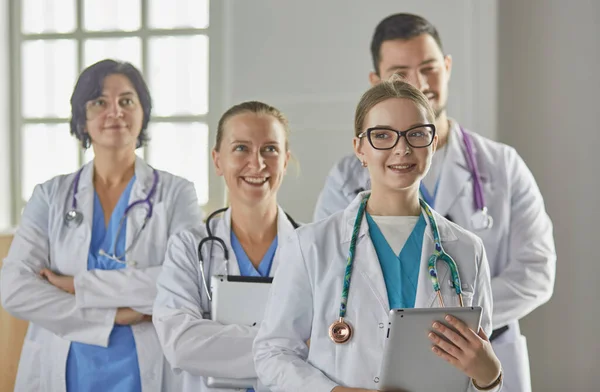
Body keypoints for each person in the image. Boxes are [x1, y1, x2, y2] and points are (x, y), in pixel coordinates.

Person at [312, 13, 556, 391]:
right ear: (377, 83)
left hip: (485, 356)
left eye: (429, 68)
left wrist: (453, 325)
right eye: (400, 72)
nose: (420, 84)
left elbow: (536, 272)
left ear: (447, 66)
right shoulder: (346, 177)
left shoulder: (502, 166)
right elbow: (325, 277)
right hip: (372, 362)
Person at [254, 78, 503, 392]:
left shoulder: (467, 249)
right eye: (382, 135)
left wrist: (490, 378)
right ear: (360, 147)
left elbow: (472, 370)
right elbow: (272, 353)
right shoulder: (311, 245)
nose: (402, 148)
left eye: (416, 134)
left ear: (433, 141)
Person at [0, 59, 202, 392]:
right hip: (66, 367)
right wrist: (114, 316)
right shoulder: (50, 196)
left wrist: (76, 284)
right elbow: (15, 289)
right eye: (99, 102)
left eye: (126, 101)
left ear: (142, 112)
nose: (115, 112)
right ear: (82, 118)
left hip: (145, 367)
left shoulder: (176, 193)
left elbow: (183, 282)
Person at [153, 101, 299, 392]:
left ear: (285, 160)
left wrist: (219, 344)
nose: (256, 164)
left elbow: (328, 346)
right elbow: (181, 344)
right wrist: (288, 346)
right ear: (217, 160)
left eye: (270, 149)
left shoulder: (313, 248)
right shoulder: (188, 246)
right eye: (241, 148)